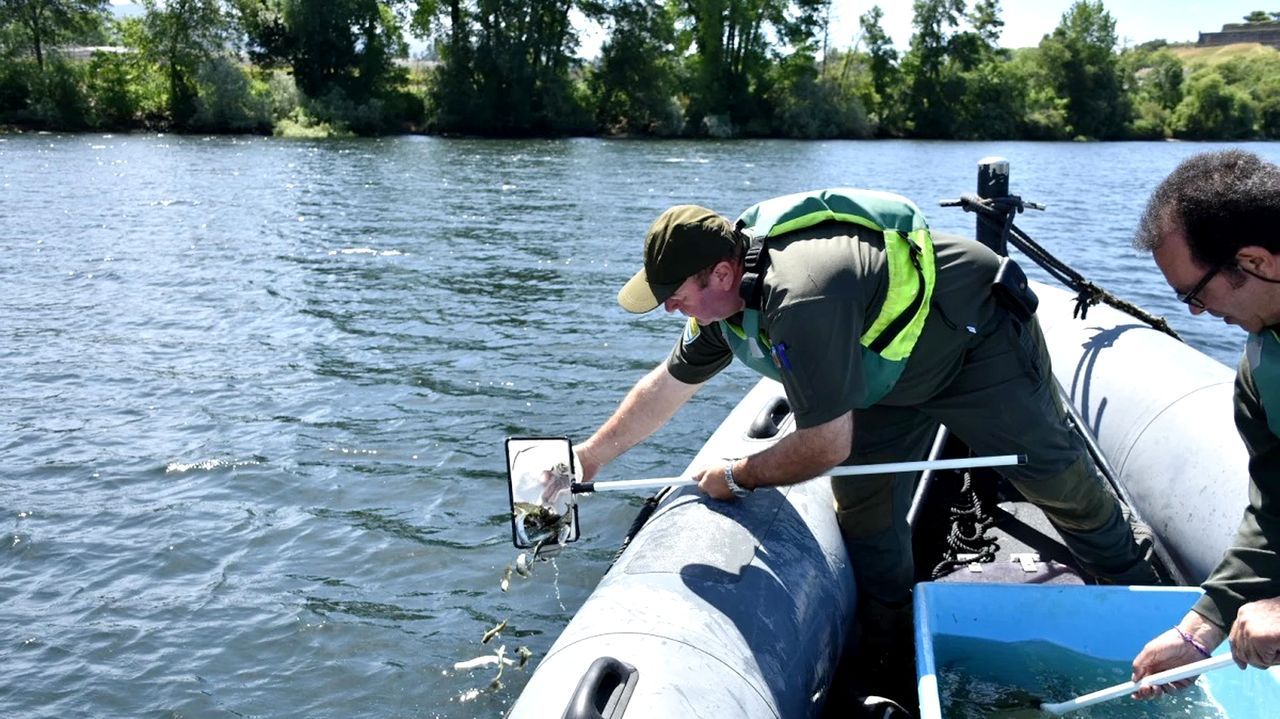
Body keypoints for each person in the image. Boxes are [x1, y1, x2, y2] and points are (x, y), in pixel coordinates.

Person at [574, 188, 1158, 624]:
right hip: (886, 373)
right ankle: (892, 634)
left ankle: (1143, 595)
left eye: (675, 298)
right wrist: (589, 458)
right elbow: (667, 385)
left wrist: (736, 475)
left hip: (975, 346)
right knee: (865, 512)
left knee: (1055, 478)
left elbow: (825, 445)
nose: (671, 310)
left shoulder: (800, 299)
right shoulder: (723, 304)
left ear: (722, 273)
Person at [1130, 150, 1280, 694]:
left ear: (1256, 262)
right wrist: (1199, 630)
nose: (1195, 313)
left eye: (1195, 294)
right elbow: (1275, 506)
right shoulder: (1261, 370)